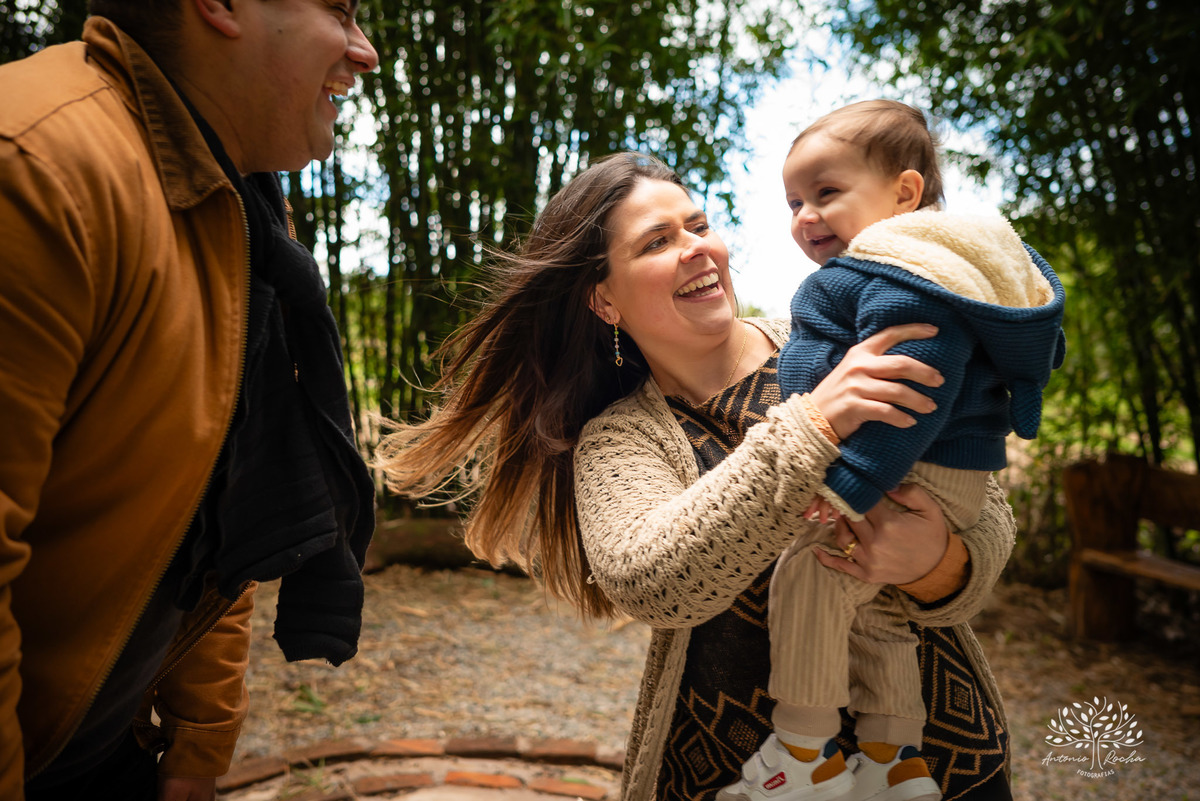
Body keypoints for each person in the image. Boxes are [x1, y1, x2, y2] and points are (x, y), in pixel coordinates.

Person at [377, 152, 1018, 801]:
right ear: (604, 299)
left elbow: (981, 507)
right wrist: (812, 425)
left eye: (698, 224)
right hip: (737, 771)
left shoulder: (838, 339)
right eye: (657, 242)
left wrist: (937, 562)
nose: (696, 249)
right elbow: (653, 581)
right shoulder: (623, 437)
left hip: (938, 763)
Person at [0, 2, 379, 799]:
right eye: (338, 10)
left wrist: (199, 744)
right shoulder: (37, 168)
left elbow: (221, 502)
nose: (364, 52)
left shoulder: (236, 200)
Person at [714, 101, 1066, 801]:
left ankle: (805, 753)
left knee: (813, 568)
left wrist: (851, 480)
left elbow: (912, 393)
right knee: (878, 609)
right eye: (792, 202)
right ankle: (894, 757)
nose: (805, 216)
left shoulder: (906, 275)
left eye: (826, 193)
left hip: (911, 465)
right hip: (935, 470)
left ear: (904, 193)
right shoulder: (899, 270)